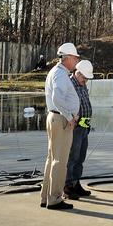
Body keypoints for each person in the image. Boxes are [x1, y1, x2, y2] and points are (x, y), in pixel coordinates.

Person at [40, 41, 81, 210]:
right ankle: (55, 198)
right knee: (60, 160)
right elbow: (57, 98)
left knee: (52, 159)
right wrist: (69, 116)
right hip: (60, 119)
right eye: (75, 58)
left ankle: (46, 196)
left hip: (55, 118)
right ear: (67, 58)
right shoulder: (61, 75)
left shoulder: (56, 72)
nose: (77, 61)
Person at [64, 58, 94, 200]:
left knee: (80, 157)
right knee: (72, 157)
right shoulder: (70, 84)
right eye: (84, 78)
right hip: (75, 127)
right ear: (78, 73)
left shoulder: (82, 85)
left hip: (84, 125)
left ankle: (76, 183)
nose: (86, 81)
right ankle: (67, 186)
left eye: (87, 78)